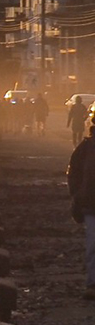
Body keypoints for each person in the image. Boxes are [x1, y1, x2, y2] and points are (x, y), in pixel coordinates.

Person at [66, 116, 95, 299]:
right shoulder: (85, 148)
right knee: (93, 245)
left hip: (89, 202)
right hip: (91, 204)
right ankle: (93, 283)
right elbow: (73, 173)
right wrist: (77, 194)